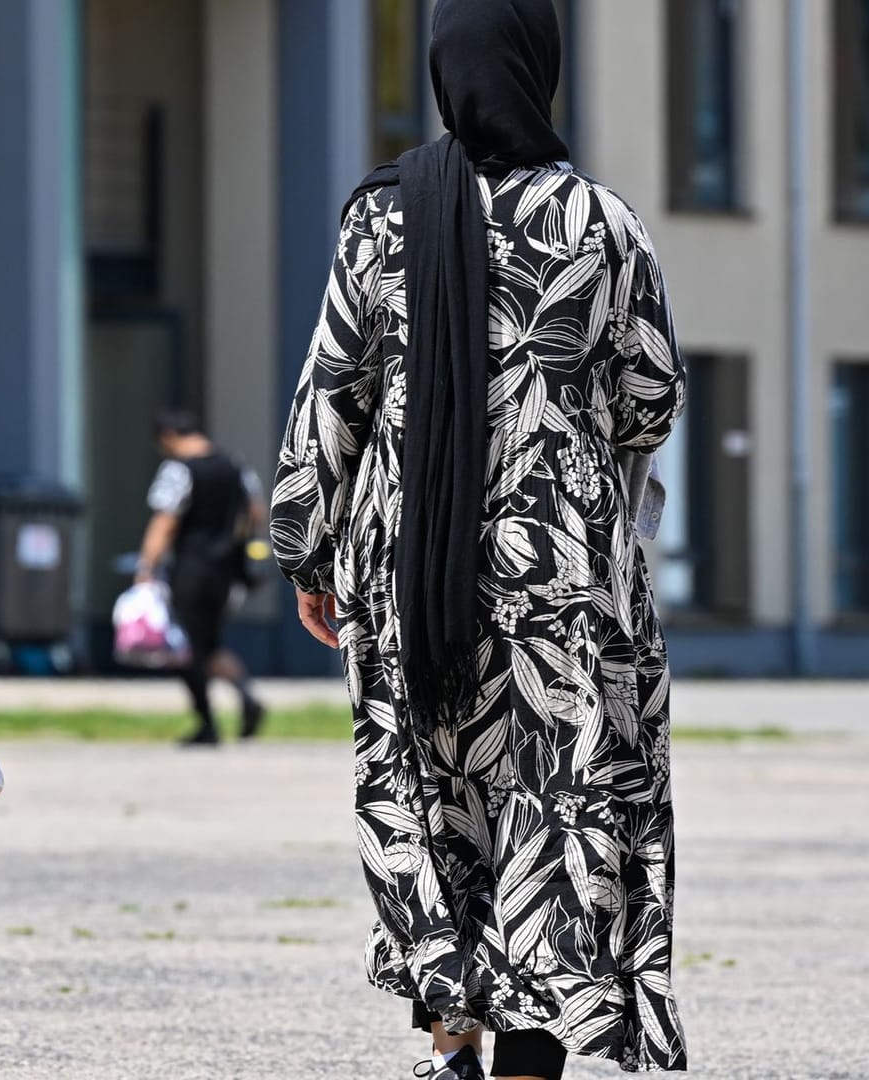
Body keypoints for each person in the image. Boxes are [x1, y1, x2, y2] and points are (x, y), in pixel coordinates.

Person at [271, 3, 687, 1077]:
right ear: (540, 69)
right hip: (564, 567)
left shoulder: (382, 217)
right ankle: (534, 1049)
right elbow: (651, 397)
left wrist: (306, 548)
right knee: (552, 799)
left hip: (410, 566)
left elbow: (334, 394)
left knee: (429, 787)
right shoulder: (603, 222)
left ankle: (453, 1034)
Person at [136, 410, 267, 745]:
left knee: (185, 647)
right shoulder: (236, 466)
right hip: (228, 570)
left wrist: (146, 567)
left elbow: (165, 521)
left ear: (167, 437)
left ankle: (207, 723)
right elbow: (256, 512)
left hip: (191, 570)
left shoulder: (179, 470)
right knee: (207, 643)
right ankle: (245, 696)